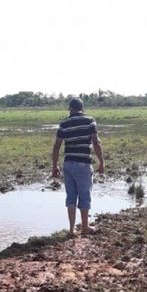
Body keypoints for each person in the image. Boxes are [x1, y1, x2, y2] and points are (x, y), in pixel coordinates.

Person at [52, 97, 105, 235]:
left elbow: (57, 147)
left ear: (71, 109)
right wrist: (101, 162)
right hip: (83, 164)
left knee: (71, 197)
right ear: (82, 109)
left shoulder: (64, 123)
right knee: (84, 195)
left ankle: (71, 229)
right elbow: (96, 142)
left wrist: (55, 166)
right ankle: (85, 227)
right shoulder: (90, 121)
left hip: (68, 164)